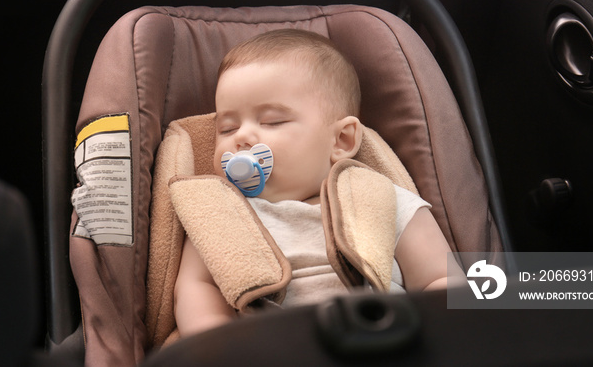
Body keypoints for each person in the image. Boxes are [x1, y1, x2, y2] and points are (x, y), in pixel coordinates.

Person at [173, 29, 454, 337]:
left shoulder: (382, 198)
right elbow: (195, 288)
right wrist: (219, 344)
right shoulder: (218, 214)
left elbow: (440, 280)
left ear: (341, 140)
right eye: (227, 128)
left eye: (272, 122)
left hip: (380, 339)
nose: (241, 137)